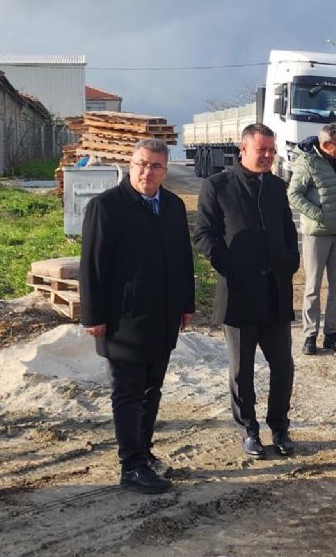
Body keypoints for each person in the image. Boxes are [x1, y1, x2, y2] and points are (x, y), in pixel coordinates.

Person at [80, 138, 195, 495]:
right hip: (122, 318)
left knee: (151, 389)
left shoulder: (173, 206)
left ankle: (144, 453)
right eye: (141, 164)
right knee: (127, 392)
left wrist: (186, 304)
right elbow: (92, 266)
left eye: (155, 166)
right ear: (130, 166)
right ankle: (130, 465)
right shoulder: (106, 206)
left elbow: (183, 259)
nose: (147, 172)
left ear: (165, 170)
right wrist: (93, 317)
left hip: (163, 316)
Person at [193, 123, 300, 459]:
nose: (268, 155)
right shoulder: (217, 186)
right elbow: (203, 235)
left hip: (275, 292)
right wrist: (229, 266)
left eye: (271, 150)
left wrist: (290, 260)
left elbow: (287, 229)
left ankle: (279, 427)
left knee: (283, 366)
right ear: (243, 149)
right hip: (239, 295)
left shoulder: (276, 187)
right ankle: (249, 430)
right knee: (242, 370)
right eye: (261, 149)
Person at [287, 123, 336, 356]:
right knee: (313, 286)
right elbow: (293, 194)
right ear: (325, 144)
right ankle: (310, 335)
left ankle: (331, 334)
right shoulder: (307, 162)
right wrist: (319, 215)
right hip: (316, 234)